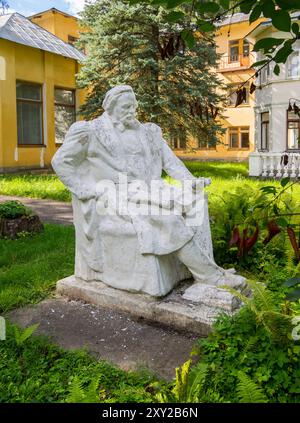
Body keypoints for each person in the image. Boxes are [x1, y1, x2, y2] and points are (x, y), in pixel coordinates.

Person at [52, 85, 246, 296]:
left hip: (150, 190)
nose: (131, 111)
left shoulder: (148, 132)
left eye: (133, 106)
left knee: (196, 202)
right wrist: (87, 190)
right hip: (115, 195)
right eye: (126, 107)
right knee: (168, 219)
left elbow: (171, 162)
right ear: (111, 108)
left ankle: (200, 270)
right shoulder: (90, 131)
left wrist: (190, 181)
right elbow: (61, 161)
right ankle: (211, 277)